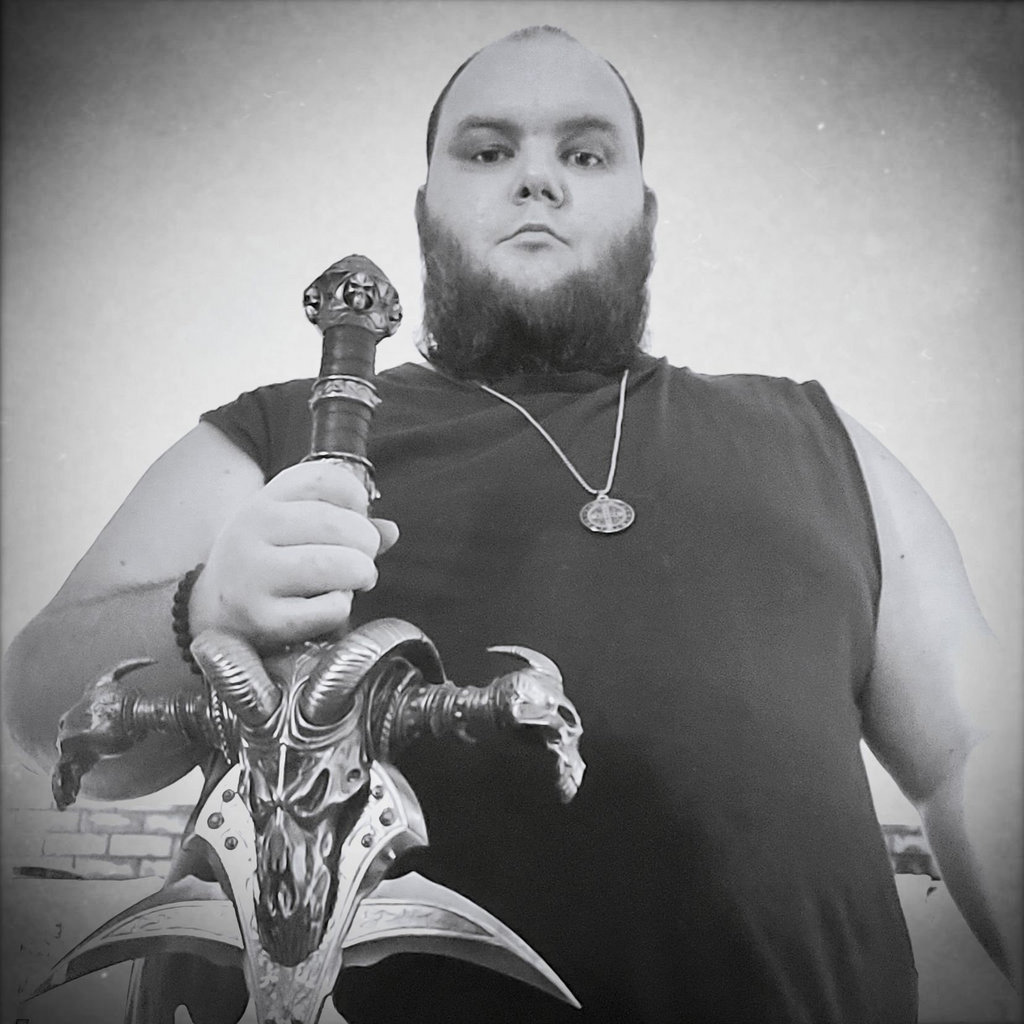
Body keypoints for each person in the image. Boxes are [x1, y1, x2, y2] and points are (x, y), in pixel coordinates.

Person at [2, 24, 1019, 1024]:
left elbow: (975, 757)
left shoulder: (825, 443)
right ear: (425, 207)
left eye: (585, 153)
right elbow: (41, 708)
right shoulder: (276, 440)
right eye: (488, 152)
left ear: (645, 208)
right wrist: (204, 607)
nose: (537, 178)